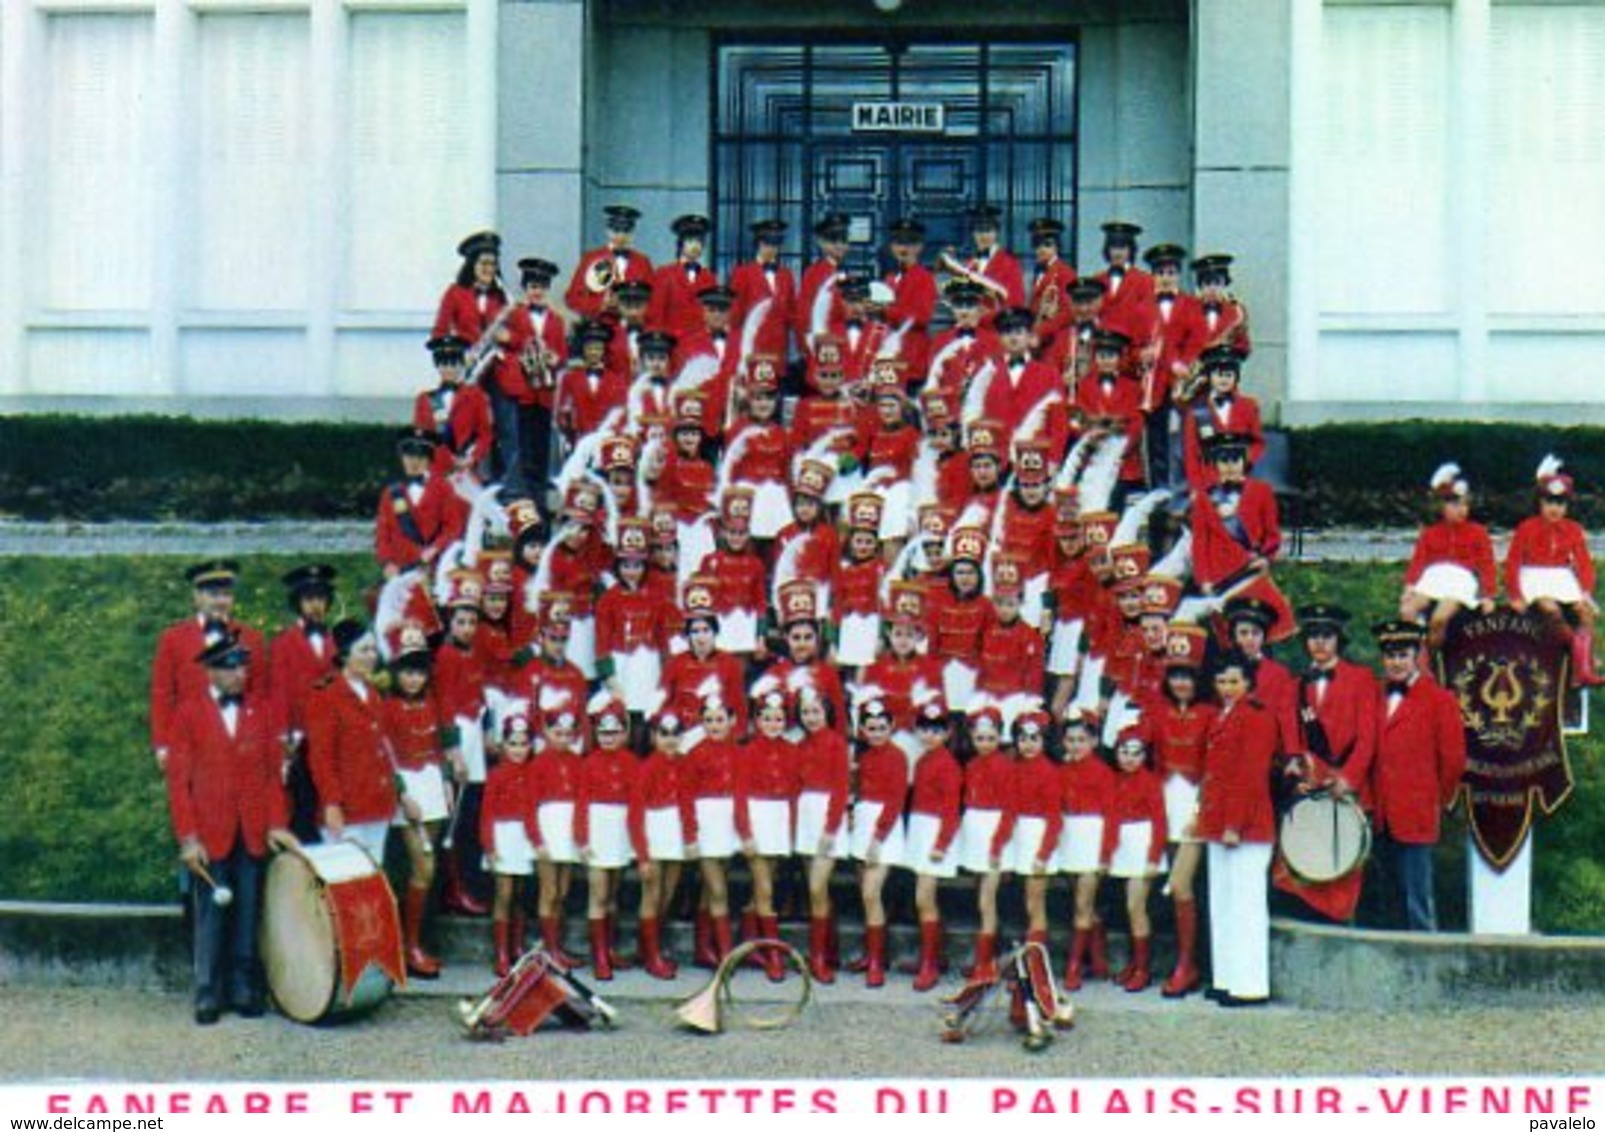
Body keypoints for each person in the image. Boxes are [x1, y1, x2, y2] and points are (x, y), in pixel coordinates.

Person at [164, 632, 296, 1024]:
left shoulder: (262, 709)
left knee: (248, 910)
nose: (241, 674)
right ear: (212, 672)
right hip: (210, 831)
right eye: (232, 667)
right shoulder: (188, 713)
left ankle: (242, 987)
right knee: (210, 913)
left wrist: (275, 823)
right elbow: (178, 782)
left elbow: (273, 775)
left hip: (252, 828)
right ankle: (207, 990)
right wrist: (188, 838)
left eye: (243, 666)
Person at [1273, 603, 1378, 923]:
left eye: (1327, 636)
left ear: (1338, 640)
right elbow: (1291, 735)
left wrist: (1348, 778)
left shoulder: (1361, 679)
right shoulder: (1296, 685)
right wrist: (1296, 769)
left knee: (1342, 864)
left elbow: (1368, 738)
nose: (1319, 643)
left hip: (1347, 787)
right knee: (1305, 862)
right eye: (1313, 636)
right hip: (1311, 786)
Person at [1369, 619, 1467, 931]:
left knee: (1418, 899)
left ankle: (1427, 967)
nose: (1395, 663)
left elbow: (1452, 759)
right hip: (1380, 811)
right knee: (1388, 897)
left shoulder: (1440, 700)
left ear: (1416, 657)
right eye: (1389, 656)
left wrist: (1438, 800)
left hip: (1416, 810)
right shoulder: (1374, 696)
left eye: (1402, 655)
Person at [1196, 649, 1278, 1007]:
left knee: (1246, 906)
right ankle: (1225, 977)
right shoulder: (1220, 717)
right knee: (1222, 902)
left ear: (1248, 682)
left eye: (1234, 681)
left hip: (1246, 825)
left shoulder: (1256, 717)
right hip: (1218, 822)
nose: (1227, 688)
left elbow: (1250, 775)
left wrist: (1234, 824)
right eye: (1221, 681)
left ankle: (1250, 985)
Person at [1139, 624, 1217, 997]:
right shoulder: (1157, 711)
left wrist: (1201, 810)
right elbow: (1147, 759)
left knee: (1183, 884)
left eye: (1188, 676)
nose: (1182, 683)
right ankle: (1164, 961)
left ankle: (1188, 964)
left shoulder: (1210, 713)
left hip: (1195, 806)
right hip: (1163, 803)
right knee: (1159, 885)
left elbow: (1215, 766)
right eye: (1176, 676)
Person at [380, 623, 452, 978]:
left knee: (429, 866)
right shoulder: (388, 707)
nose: (413, 679)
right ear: (397, 673)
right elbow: (384, 755)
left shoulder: (432, 702)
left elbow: (439, 747)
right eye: (407, 672)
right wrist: (401, 793)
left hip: (432, 783)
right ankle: (408, 946)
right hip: (406, 788)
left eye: (419, 672)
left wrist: (447, 783)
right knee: (422, 866)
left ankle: (418, 940)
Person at [150, 560, 266, 772]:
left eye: (226, 594)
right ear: (197, 597)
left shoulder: (251, 638)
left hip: (239, 739)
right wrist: (162, 745)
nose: (221, 601)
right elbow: (163, 694)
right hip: (190, 741)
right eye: (213, 594)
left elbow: (259, 691)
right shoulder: (173, 639)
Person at [1505, 454, 1603, 686]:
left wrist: (1586, 591)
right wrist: (1516, 595)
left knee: (1584, 612)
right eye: (1549, 502)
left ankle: (1581, 671)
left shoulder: (1573, 529)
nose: (1554, 509)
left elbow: (1584, 563)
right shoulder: (1526, 528)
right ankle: (1580, 658)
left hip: (1561, 577)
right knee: (1550, 611)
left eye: (1560, 503)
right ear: (1540, 503)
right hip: (1534, 577)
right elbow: (1512, 563)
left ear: (1567, 505)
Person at [306, 620, 396, 864]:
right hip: (348, 807)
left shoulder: (373, 693)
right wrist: (331, 804)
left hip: (377, 803)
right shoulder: (325, 694)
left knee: (373, 874)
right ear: (345, 654)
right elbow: (321, 757)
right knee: (347, 881)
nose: (371, 656)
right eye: (363, 650)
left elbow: (382, 749)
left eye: (373, 649)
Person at [736, 676, 800, 981]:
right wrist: (746, 833)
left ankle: (752, 945)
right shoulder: (748, 751)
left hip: (779, 818)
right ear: (757, 720)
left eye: (778, 719)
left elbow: (794, 791)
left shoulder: (791, 750)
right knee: (764, 887)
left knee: (765, 886)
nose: (773, 724)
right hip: (757, 816)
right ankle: (773, 954)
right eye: (767, 718)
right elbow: (740, 795)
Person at [269, 564, 339, 842]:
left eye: (320, 599)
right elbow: (278, 693)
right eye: (309, 600)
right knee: (303, 806)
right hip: (301, 740)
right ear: (298, 603)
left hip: (334, 735)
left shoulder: (337, 640)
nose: (315, 606)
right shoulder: (283, 644)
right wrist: (284, 738)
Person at [1400, 462, 1498, 652]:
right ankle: (1414, 656)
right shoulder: (1430, 533)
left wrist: (1488, 595)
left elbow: (1487, 565)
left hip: (1459, 580)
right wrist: (1409, 587)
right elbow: (1418, 562)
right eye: (1454, 504)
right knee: (1407, 610)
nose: (1461, 510)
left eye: (1465, 504)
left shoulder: (1477, 532)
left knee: (1439, 618)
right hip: (1433, 578)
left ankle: (1432, 659)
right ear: (1441, 505)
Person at [628, 710, 696, 979]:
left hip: (675, 830)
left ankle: (649, 945)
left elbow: (688, 801)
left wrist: (690, 837)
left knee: (667, 894)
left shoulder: (685, 763)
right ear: (654, 737)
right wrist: (643, 855)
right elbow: (636, 814)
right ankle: (651, 956)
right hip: (654, 829)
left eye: (675, 734)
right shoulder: (646, 768)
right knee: (652, 894)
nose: (670, 740)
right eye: (664, 734)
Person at [577, 694, 638, 980]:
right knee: (598, 892)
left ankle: (609, 948)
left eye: (614, 732)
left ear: (624, 733)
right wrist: (583, 838)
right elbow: (581, 803)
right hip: (598, 827)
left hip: (621, 828)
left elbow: (637, 804)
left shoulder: (631, 762)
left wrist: (637, 842)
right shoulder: (588, 763)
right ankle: (599, 955)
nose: (608, 738)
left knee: (613, 892)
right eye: (603, 732)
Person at [1102, 727, 1167, 992]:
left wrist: (1153, 856)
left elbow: (1160, 822)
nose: (1129, 759)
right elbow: (1111, 819)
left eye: (1136, 753)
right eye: (1124, 752)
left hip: (1143, 841)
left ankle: (1143, 968)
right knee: (1128, 908)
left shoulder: (1151, 782)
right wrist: (1107, 853)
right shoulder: (1114, 780)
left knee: (1135, 906)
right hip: (1123, 845)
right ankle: (1134, 962)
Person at [494, 256, 567, 494]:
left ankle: (540, 487)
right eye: (533, 287)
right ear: (525, 288)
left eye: (542, 287)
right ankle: (523, 487)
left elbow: (561, 352)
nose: (537, 292)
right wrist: (515, 340)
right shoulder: (515, 315)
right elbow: (505, 341)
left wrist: (554, 358)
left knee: (542, 439)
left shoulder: (556, 320)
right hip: (524, 388)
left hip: (545, 391)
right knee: (522, 440)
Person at [848, 694, 907, 988]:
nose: (876, 733)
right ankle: (871, 953)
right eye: (870, 728)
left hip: (885, 827)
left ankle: (876, 962)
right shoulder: (863, 756)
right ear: (862, 730)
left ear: (892, 726)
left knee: (872, 892)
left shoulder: (898, 757)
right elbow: (856, 792)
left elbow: (895, 800)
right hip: (862, 822)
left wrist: (878, 837)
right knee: (864, 894)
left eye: (882, 727)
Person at [793, 686, 850, 984]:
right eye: (805, 712)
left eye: (816, 711)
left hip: (827, 814)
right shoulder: (800, 745)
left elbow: (841, 788)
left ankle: (818, 958)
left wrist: (831, 828)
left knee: (817, 886)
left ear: (827, 712)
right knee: (817, 890)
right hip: (806, 815)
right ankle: (827, 949)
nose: (811, 717)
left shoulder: (837, 743)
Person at [1055, 713, 1111, 990]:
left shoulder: (1102, 772)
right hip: (1070, 837)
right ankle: (1098, 959)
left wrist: (1105, 853)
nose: (1075, 745)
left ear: (1094, 741)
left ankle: (1074, 966)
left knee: (1083, 904)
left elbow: (1112, 816)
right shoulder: (1062, 771)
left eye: (1082, 740)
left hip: (1092, 837)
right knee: (1081, 901)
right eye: (1070, 740)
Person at [480, 711, 536, 976]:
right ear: (503, 745)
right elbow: (487, 813)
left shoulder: (533, 773)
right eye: (513, 743)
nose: (518, 749)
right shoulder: (497, 774)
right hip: (502, 834)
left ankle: (516, 946)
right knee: (503, 893)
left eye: (523, 744)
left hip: (524, 837)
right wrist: (489, 846)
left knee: (520, 893)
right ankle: (501, 951)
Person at [374, 428, 465, 580]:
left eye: (420, 457)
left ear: (429, 460)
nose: (413, 463)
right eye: (409, 457)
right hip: (399, 568)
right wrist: (387, 562)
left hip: (433, 564)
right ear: (402, 458)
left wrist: (435, 548)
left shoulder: (442, 488)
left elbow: (453, 526)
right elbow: (383, 533)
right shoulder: (391, 492)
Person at [565, 205, 653, 322]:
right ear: (607, 230)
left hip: (633, 327)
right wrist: (601, 304)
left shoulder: (643, 262)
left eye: (626, 231)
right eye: (616, 230)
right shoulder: (591, 259)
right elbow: (572, 298)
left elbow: (654, 298)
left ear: (632, 233)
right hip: (600, 328)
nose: (621, 236)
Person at [728, 218, 797, 360]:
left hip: (778, 348)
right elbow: (735, 314)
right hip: (752, 346)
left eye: (775, 244)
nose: (771, 249)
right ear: (758, 244)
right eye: (766, 243)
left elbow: (792, 312)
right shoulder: (742, 273)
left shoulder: (786, 275)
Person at [433, 230, 507, 344]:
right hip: (465, 357)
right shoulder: (454, 293)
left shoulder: (500, 295)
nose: (489, 269)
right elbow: (440, 332)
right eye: (484, 263)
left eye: (493, 264)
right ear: (472, 264)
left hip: (495, 359)